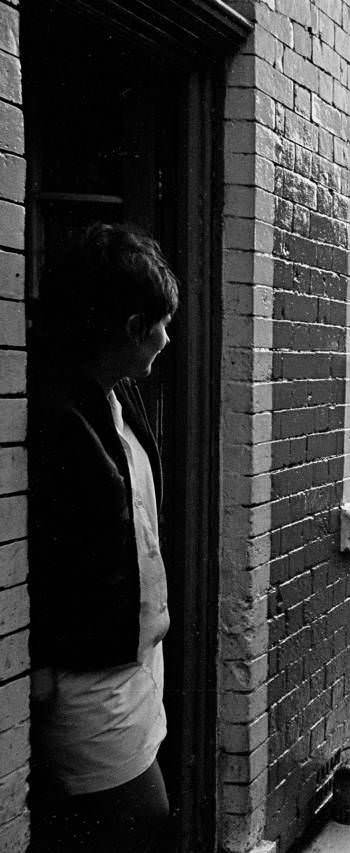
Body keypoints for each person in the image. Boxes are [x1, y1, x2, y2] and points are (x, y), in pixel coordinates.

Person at [29, 223, 179, 852]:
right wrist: (39, 664)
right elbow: (40, 554)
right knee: (141, 826)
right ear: (130, 326)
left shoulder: (117, 399)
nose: (166, 339)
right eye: (159, 324)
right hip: (89, 683)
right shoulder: (56, 415)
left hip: (138, 664)